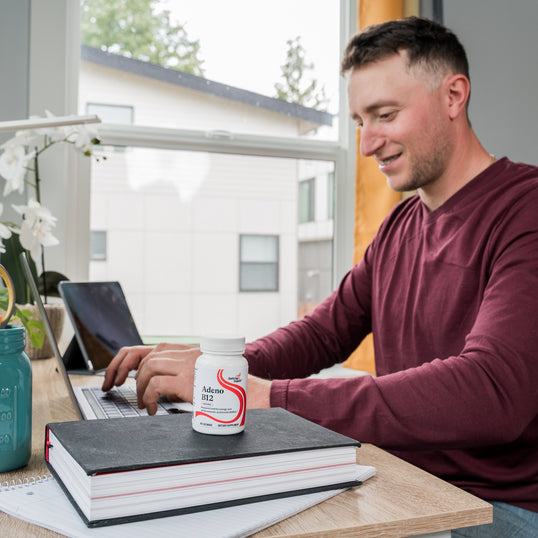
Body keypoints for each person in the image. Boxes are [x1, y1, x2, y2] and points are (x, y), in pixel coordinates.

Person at [102, 17, 538, 537]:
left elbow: (492, 391)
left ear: (453, 96)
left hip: (496, 507)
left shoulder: (525, 209)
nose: (368, 144)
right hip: (406, 480)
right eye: (359, 121)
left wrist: (268, 397)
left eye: (385, 115)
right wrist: (218, 366)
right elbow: (323, 332)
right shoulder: (401, 225)